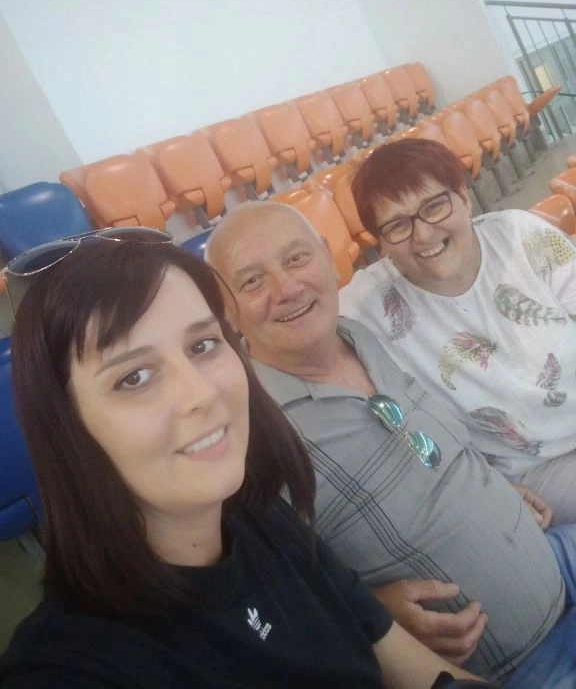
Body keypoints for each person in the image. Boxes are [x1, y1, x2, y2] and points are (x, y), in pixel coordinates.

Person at [0, 230, 487, 689]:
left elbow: (423, 672)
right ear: (64, 425)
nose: (201, 393)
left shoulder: (264, 519)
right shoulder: (70, 668)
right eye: (134, 377)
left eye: (203, 345)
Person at [206, 200, 576, 687]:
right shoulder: (250, 439)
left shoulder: (359, 335)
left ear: (327, 257)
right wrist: (367, 611)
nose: (287, 288)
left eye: (296, 258)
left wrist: (493, 483)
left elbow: (423, 440)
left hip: (553, 556)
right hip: (520, 663)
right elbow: (264, 612)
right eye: (253, 281)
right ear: (225, 308)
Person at [339, 138, 576, 525]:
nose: (423, 234)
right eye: (397, 225)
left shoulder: (521, 235)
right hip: (533, 468)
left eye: (434, 206)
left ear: (463, 198)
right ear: (380, 243)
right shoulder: (367, 309)